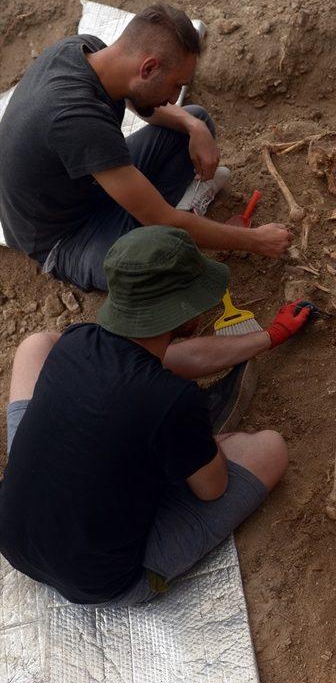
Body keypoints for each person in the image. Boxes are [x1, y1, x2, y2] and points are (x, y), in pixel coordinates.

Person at [0, 225, 312, 606]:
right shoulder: (174, 401)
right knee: (269, 449)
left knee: (36, 345)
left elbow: (174, 359)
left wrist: (269, 336)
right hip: (100, 583)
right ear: (182, 310)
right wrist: (188, 445)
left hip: (13, 537)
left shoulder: (77, 341)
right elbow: (212, 489)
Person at [0, 3, 292, 291]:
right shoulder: (76, 118)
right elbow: (162, 218)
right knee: (155, 263)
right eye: (176, 84)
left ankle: (168, 216)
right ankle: (176, 222)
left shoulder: (85, 50)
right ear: (148, 68)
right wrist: (257, 240)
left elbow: (140, 104)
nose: (176, 95)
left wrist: (195, 127)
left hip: (87, 186)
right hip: (65, 238)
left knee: (193, 121)